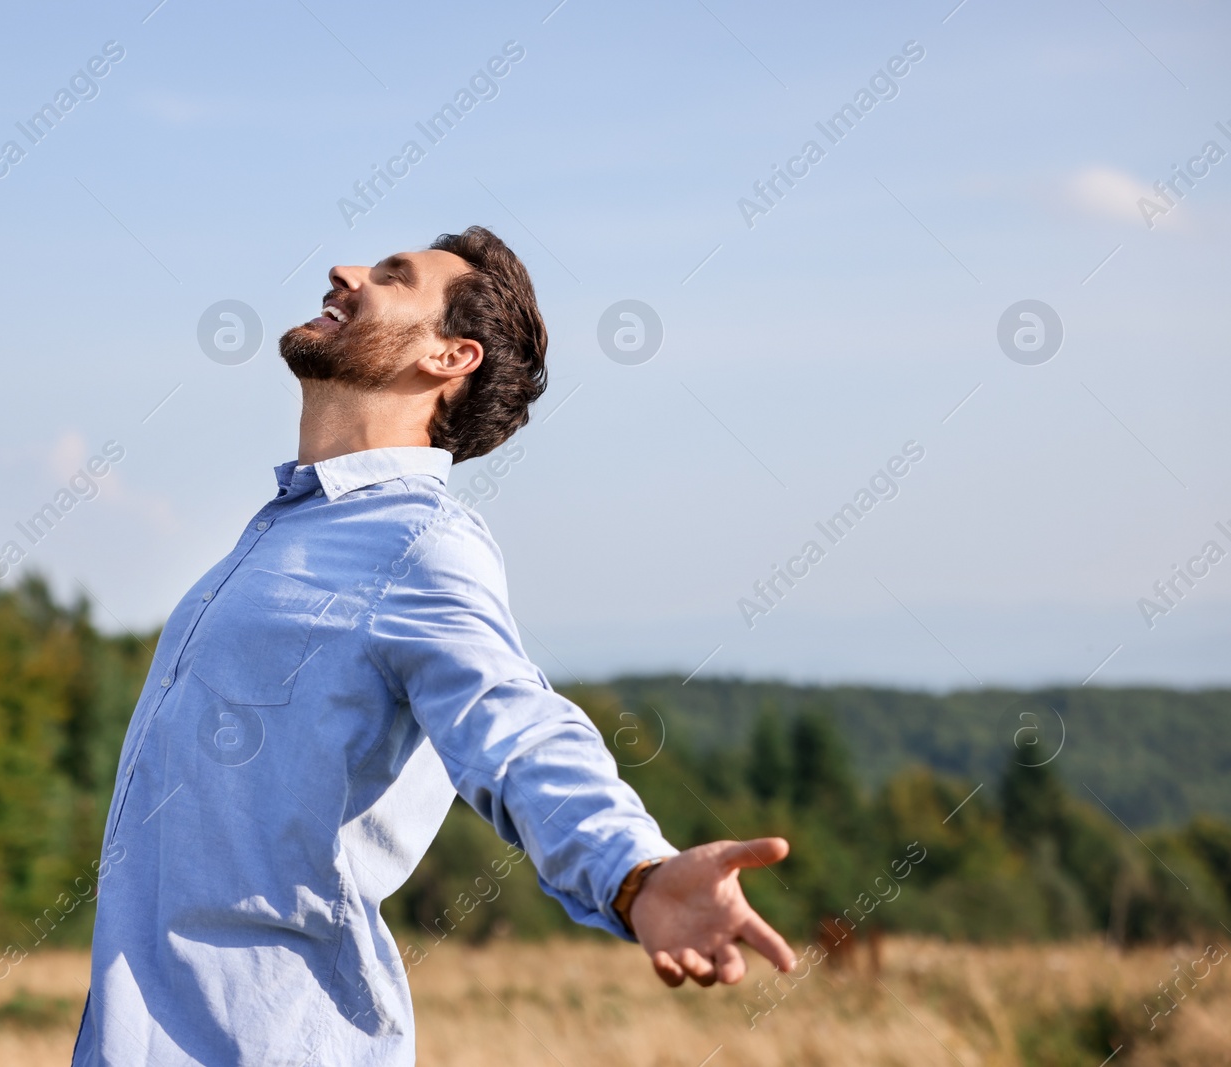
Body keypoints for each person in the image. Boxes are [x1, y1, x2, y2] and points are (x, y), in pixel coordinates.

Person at [71, 226, 796, 1065]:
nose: (343, 272)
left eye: (391, 276)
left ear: (452, 357)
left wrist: (633, 873)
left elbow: (516, 727)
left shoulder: (417, 544)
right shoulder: (284, 533)